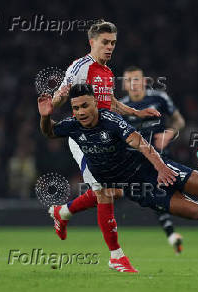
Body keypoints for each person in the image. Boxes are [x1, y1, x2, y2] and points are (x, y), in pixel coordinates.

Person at [37, 84, 198, 273]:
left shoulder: (111, 121)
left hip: (152, 168)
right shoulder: (72, 126)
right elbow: (49, 132)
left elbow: (141, 143)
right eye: (76, 108)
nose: (81, 112)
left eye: (85, 105)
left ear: (96, 103)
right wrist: (46, 117)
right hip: (139, 189)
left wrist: (161, 169)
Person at [47, 20, 159, 272]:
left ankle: (62, 212)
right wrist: (48, 108)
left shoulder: (107, 72)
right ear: (92, 42)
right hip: (83, 138)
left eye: (113, 43)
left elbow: (112, 103)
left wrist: (137, 113)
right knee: (105, 192)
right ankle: (116, 256)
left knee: (113, 192)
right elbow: (63, 93)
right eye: (105, 42)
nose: (109, 47)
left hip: (107, 138)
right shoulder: (81, 67)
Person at [119, 66, 187, 253]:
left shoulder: (159, 98)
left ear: (144, 82)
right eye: (129, 80)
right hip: (136, 161)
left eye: (137, 79)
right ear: (124, 84)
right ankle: (171, 233)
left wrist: (170, 133)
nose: (133, 84)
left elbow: (179, 120)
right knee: (153, 193)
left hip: (162, 156)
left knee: (166, 193)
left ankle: (171, 232)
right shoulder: (121, 108)